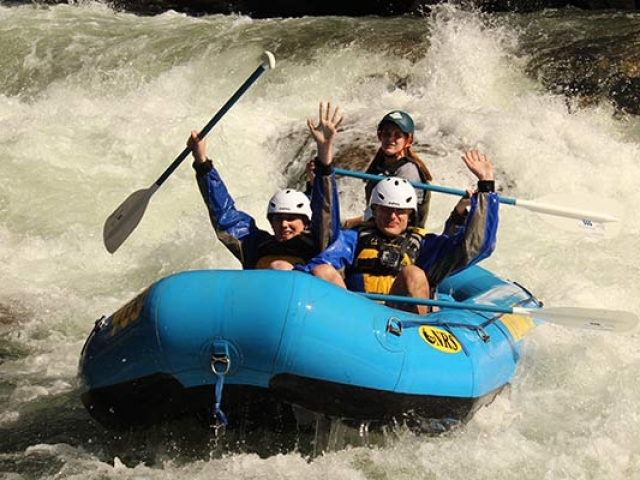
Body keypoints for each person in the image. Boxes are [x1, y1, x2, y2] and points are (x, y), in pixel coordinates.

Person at [296, 149, 498, 315]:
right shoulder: (354, 238)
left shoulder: (424, 245)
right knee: (322, 270)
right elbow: (324, 255)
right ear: (374, 210)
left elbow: (477, 245)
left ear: (410, 215)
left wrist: (486, 184)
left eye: (399, 211)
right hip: (356, 319)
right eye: (385, 209)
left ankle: (420, 339)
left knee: (413, 273)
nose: (392, 216)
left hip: (403, 326)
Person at [190, 101, 343, 270]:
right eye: (278, 219)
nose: (284, 224)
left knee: (280, 267)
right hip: (262, 295)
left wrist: (324, 152)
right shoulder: (256, 244)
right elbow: (225, 215)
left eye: (291, 218)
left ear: (306, 222)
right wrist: (202, 162)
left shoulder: (318, 244)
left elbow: (326, 211)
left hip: (303, 295)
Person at [343, 110, 434, 229]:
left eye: (397, 135)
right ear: (380, 136)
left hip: (403, 233)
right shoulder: (380, 165)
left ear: (408, 141)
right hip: (381, 225)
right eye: (386, 134)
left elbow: (396, 216)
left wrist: (352, 224)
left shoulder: (408, 171)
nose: (390, 139)